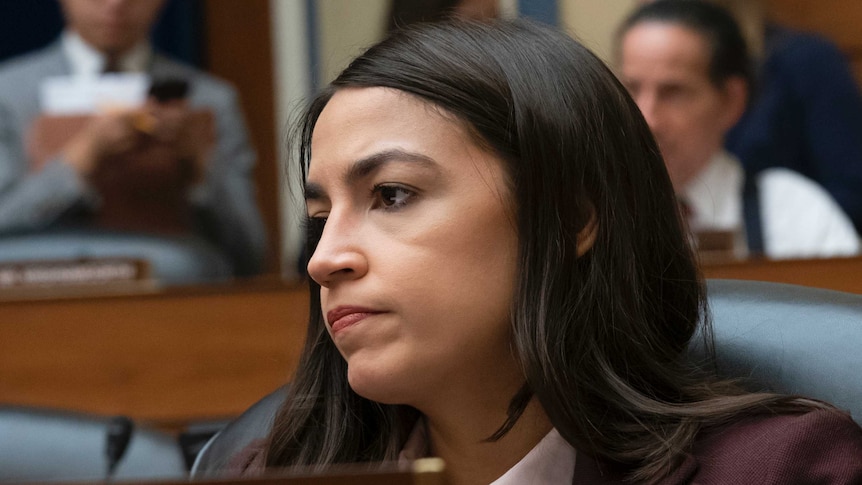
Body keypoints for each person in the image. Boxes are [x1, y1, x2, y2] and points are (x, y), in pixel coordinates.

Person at [214, 19, 862, 484]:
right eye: (321, 216)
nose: (324, 260)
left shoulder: (780, 469)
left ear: (571, 217)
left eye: (390, 194)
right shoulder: (264, 472)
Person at [0, 0, 267, 281]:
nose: (116, 5)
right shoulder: (9, 94)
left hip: (174, 297)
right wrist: (79, 160)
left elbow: (251, 253)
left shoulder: (208, 99)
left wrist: (199, 165)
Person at [616, 0, 859, 259]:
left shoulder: (794, 214)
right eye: (631, 89)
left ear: (731, 101)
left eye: (673, 92)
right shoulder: (595, 213)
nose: (647, 118)